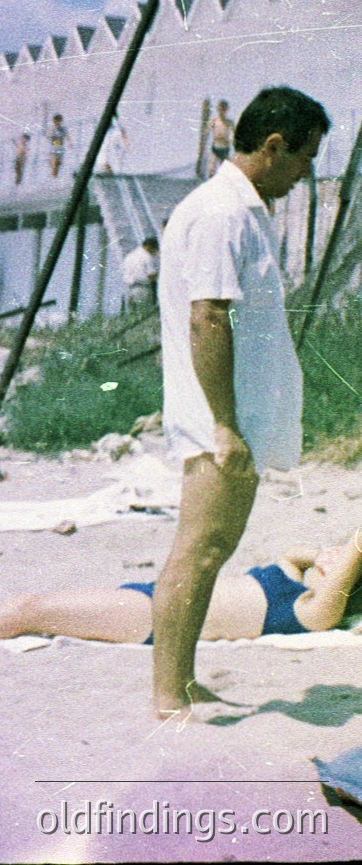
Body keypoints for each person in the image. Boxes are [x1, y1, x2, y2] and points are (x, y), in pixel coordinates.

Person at [152, 85, 329, 719]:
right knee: (197, 550)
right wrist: (224, 425)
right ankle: (167, 694)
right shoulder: (221, 214)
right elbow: (207, 319)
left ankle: (183, 680)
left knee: (212, 552)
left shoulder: (243, 211)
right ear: (274, 146)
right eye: (305, 157)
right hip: (217, 420)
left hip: (233, 417)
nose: (307, 172)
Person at [0, 529, 362, 647]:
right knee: (29, 605)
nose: (332, 555)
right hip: (149, 595)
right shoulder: (289, 577)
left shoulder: (313, 613)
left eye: (345, 560)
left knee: (30, 609)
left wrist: (347, 552)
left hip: (154, 619)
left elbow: (351, 553)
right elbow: (301, 552)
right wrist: (325, 553)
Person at [122, 236, 160, 313]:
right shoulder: (147, 257)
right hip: (143, 289)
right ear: (149, 247)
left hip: (130, 289)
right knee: (145, 314)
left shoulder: (130, 256)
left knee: (133, 314)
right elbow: (151, 275)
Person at [208, 99, 233, 178]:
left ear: (226, 110)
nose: (221, 111)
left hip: (225, 148)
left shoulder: (229, 122)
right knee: (211, 169)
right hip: (215, 147)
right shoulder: (214, 121)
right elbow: (206, 133)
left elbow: (235, 134)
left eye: (223, 109)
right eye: (220, 109)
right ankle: (210, 182)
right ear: (218, 109)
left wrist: (231, 140)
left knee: (224, 170)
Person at [47, 113, 70, 178]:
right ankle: (53, 175)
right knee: (54, 165)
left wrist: (69, 142)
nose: (57, 123)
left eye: (59, 121)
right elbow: (48, 137)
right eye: (56, 121)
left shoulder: (63, 129)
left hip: (60, 148)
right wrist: (50, 137)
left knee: (58, 164)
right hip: (53, 148)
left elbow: (67, 135)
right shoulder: (52, 129)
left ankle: (55, 176)